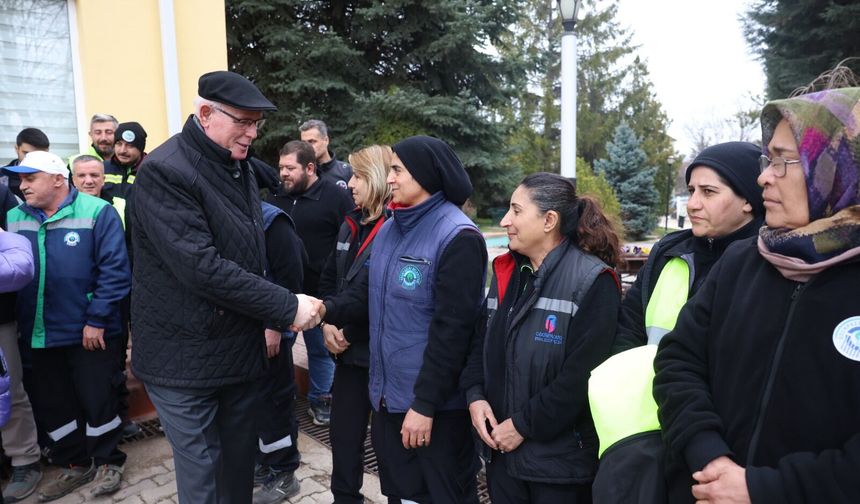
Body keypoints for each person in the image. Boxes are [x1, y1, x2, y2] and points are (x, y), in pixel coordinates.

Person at [654, 86, 860, 503]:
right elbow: (678, 361)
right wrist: (709, 457)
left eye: (785, 161)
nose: (764, 175)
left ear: (840, 169)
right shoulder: (743, 261)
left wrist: (761, 489)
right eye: (770, 160)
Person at [129, 70, 320, 504]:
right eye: (243, 122)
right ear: (205, 114)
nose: (252, 134)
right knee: (205, 479)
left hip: (237, 353)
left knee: (237, 472)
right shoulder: (165, 171)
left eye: (257, 124)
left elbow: (252, 251)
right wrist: (285, 306)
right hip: (183, 360)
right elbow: (202, 267)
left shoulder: (239, 166)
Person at [588, 142, 764, 502]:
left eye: (709, 192)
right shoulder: (669, 253)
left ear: (748, 200)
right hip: (643, 437)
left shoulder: (765, 265)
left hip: (718, 451)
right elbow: (628, 332)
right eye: (692, 191)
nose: (693, 203)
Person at [322, 135, 486, 503]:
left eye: (397, 170)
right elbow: (367, 294)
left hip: (434, 411)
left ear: (425, 176)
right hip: (388, 400)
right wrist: (325, 310)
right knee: (401, 493)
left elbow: (452, 332)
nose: (390, 178)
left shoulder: (458, 237)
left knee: (442, 495)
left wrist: (425, 404)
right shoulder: (392, 227)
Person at [461, 172, 621, 503]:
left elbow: (580, 379)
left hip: (557, 469)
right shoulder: (508, 271)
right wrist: (475, 396)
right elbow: (481, 343)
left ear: (549, 220)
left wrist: (521, 426)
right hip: (501, 457)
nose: (506, 220)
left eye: (516, 211)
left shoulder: (593, 281)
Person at [4, 151, 131, 501]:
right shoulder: (13, 217)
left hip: (87, 332)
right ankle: (74, 464)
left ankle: (108, 461)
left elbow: (115, 273)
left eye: (30, 178)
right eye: (21, 179)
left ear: (58, 179)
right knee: (52, 403)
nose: (22, 185)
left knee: (98, 398)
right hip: (38, 332)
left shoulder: (97, 212)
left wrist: (96, 320)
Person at [318, 145, 392, 504]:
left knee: (386, 444)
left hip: (378, 355)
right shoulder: (350, 223)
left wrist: (342, 329)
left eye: (358, 176)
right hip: (346, 354)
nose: (349, 184)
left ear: (377, 179)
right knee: (343, 436)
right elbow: (329, 278)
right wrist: (327, 326)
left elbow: (378, 296)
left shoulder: (395, 227)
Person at [267, 140, 354, 426]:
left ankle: (320, 401)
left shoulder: (335, 196)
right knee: (280, 349)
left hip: (320, 294)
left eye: (290, 168)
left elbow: (350, 238)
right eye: (281, 167)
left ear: (310, 168)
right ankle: (281, 400)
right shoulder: (276, 195)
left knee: (320, 351)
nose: (284, 174)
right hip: (283, 294)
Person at [251, 200, 307, 504]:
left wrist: (275, 325)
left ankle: (284, 472)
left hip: (270, 332)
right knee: (253, 404)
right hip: (244, 333)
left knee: (275, 403)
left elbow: (290, 280)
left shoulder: (273, 221)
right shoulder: (227, 213)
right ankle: (262, 464)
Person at [0, 182, 42, 504]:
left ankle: (24, 459)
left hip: (0, 317)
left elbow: (18, 259)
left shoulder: (1, 195)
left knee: (9, 390)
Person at [102, 121, 147, 224]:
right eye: (119, 144)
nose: (122, 150)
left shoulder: (150, 171)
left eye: (130, 146)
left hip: (139, 237)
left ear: (140, 148)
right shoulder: (102, 168)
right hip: (109, 234)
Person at [299, 119, 352, 189]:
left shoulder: (347, 171)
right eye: (304, 143)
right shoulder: (301, 174)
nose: (307, 147)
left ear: (326, 140)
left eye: (312, 141)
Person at [2, 127, 50, 200]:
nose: (32, 159)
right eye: (27, 154)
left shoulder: (58, 176)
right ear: (17, 149)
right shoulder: (3, 176)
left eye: (39, 155)